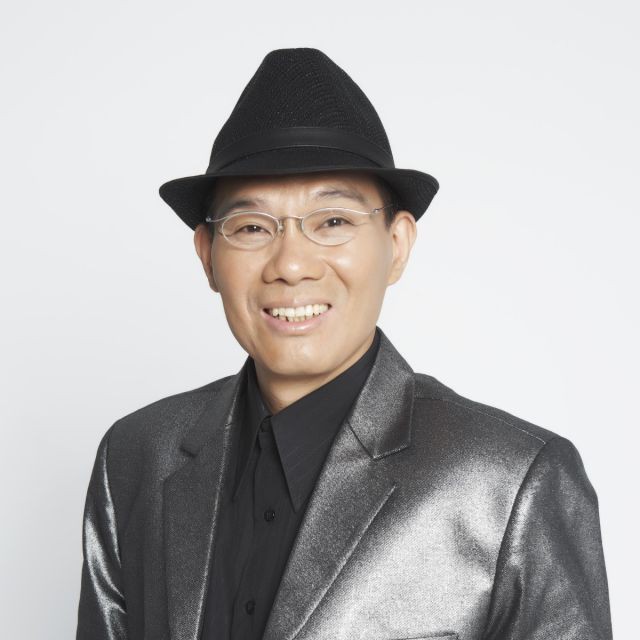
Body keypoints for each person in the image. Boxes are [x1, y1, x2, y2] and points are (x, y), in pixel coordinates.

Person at [75, 48, 613, 640]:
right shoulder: (136, 457)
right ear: (207, 256)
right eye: (251, 227)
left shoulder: (512, 482)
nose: (291, 264)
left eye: (332, 221)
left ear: (397, 245)